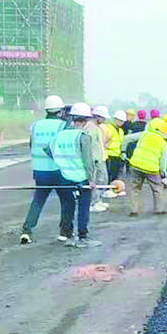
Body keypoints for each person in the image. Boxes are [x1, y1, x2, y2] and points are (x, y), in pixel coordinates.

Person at [19, 95, 75, 245]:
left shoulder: (36, 126)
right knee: (67, 200)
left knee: (38, 200)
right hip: (59, 171)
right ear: (60, 111)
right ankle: (65, 232)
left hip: (39, 171)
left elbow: (32, 146)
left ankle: (27, 230)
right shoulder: (63, 126)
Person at [49, 103, 102, 248]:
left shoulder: (60, 135)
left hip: (62, 177)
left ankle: (66, 234)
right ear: (85, 120)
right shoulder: (83, 136)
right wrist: (91, 180)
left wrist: (59, 161)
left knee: (67, 205)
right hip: (80, 177)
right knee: (83, 206)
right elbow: (88, 161)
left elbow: (48, 149)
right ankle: (82, 236)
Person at [127, 119, 167, 216]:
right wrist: (163, 173)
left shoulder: (145, 134)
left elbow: (127, 138)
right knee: (157, 189)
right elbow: (163, 161)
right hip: (152, 169)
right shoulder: (164, 143)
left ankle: (134, 211)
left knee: (135, 189)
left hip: (135, 164)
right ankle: (159, 210)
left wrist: (123, 151)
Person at [86, 106, 111, 212]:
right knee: (96, 181)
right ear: (97, 117)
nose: (104, 120)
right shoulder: (91, 128)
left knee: (102, 179)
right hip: (95, 159)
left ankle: (98, 200)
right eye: (103, 118)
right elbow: (90, 145)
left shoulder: (96, 127)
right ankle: (93, 203)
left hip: (100, 157)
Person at [100, 110, 127, 198]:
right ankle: (107, 190)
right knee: (109, 174)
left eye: (122, 121)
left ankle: (114, 189)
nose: (120, 123)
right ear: (115, 119)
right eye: (119, 120)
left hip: (117, 155)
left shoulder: (121, 131)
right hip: (109, 154)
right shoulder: (108, 128)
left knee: (116, 174)